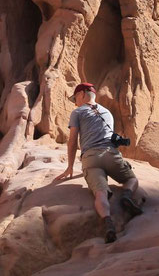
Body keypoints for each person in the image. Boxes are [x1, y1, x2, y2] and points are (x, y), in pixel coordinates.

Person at [54, 83, 142, 243]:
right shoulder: (107, 112)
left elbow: (72, 141)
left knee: (100, 193)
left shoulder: (78, 112)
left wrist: (69, 167)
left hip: (90, 158)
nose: (75, 102)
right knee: (131, 179)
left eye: (75, 98)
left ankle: (108, 223)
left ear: (81, 94)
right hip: (111, 154)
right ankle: (127, 196)